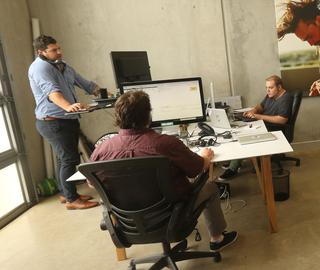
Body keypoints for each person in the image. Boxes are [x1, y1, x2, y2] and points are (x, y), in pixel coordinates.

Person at [91, 90, 238, 252]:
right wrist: (205, 157)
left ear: (118, 117)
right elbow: (196, 168)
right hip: (170, 215)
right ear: (148, 115)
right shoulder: (166, 144)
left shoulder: (102, 150)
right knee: (209, 186)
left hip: (127, 222)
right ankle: (217, 239)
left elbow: (92, 184)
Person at [28, 35, 101, 210]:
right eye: (54, 50)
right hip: (54, 122)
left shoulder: (63, 65)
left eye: (59, 48)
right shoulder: (40, 68)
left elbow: (84, 83)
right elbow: (52, 93)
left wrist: (102, 92)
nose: (59, 52)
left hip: (67, 120)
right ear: (41, 52)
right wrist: (68, 106)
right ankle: (71, 200)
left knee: (63, 159)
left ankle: (65, 193)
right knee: (70, 159)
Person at [218, 75, 292, 180]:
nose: (268, 90)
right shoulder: (271, 95)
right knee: (239, 130)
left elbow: (282, 119)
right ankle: (235, 161)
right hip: (263, 124)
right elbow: (260, 106)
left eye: (270, 88)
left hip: (275, 129)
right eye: (266, 88)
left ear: (279, 87)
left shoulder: (286, 98)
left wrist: (259, 116)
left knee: (244, 135)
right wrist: (253, 111)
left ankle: (233, 168)